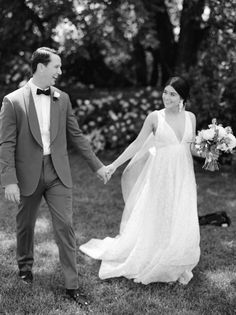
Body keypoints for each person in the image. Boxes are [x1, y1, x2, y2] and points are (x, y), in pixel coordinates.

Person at [0, 47, 108, 305]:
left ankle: (72, 286)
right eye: (56, 66)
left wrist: (97, 166)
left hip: (58, 172)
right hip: (28, 174)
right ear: (40, 67)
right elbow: (6, 144)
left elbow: (77, 136)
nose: (60, 72)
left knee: (65, 227)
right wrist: (9, 180)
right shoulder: (13, 101)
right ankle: (25, 268)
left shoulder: (63, 98)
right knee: (25, 225)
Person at [80, 76, 201, 285]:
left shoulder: (191, 117)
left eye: (173, 94)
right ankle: (155, 257)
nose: (167, 97)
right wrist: (113, 165)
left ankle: (175, 257)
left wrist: (211, 150)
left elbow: (190, 147)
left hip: (184, 174)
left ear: (183, 97)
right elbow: (136, 145)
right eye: (165, 92)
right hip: (161, 175)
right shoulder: (155, 117)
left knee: (179, 213)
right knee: (160, 213)